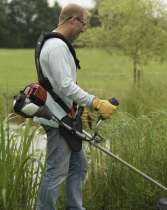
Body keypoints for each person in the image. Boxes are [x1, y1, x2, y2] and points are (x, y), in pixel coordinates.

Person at [35, 3, 117, 210]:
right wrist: (95, 102)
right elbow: (64, 85)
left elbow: (61, 84)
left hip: (66, 117)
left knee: (78, 166)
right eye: (84, 23)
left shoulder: (56, 44)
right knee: (56, 172)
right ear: (73, 20)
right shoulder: (56, 47)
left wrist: (83, 108)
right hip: (58, 119)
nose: (84, 29)